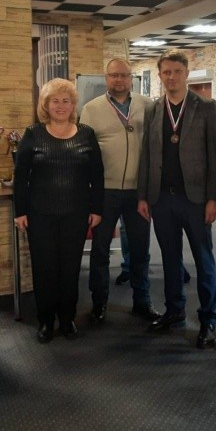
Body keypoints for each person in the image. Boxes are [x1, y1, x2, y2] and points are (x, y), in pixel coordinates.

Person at [138, 49, 216, 349]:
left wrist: (213, 198)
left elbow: (215, 157)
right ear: (160, 75)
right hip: (162, 198)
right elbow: (147, 155)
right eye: (166, 72)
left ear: (187, 73)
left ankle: (208, 320)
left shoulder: (206, 107)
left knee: (203, 259)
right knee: (170, 258)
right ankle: (174, 311)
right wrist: (143, 196)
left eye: (176, 71)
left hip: (196, 199)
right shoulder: (153, 108)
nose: (171, 77)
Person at [14, 78, 103, 343]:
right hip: (40, 215)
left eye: (66, 101)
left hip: (76, 213)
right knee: (44, 269)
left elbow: (97, 175)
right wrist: (20, 211)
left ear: (73, 105)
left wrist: (97, 208)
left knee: (70, 268)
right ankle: (45, 321)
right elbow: (21, 177)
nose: (61, 106)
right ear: (46, 105)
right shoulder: (33, 134)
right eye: (55, 101)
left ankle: (67, 319)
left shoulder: (87, 134)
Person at [80, 57, 160, 323]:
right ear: (106, 78)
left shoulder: (147, 106)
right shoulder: (91, 109)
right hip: (105, 192)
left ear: (131, 79)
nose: (119, 80)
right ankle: (99, 303)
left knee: (140, 250)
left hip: (138, 192)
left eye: (124, 75)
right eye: (114, 75)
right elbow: (86, 154)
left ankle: (142, 301)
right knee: (100, 251)